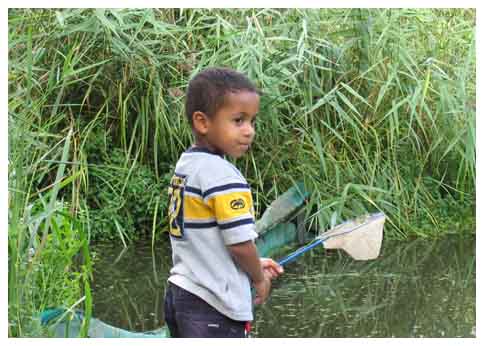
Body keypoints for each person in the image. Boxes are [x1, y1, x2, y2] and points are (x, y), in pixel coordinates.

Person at [163, 67, 283, 338]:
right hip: (213, 307)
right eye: (238, 120)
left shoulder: (187, 166)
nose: (249, 131)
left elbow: (207, 241)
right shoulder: (223, 175)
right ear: (203, 122)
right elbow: (240, 245)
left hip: (181, 294)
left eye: (252, 121)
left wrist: (255, 261)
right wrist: (257, 277)